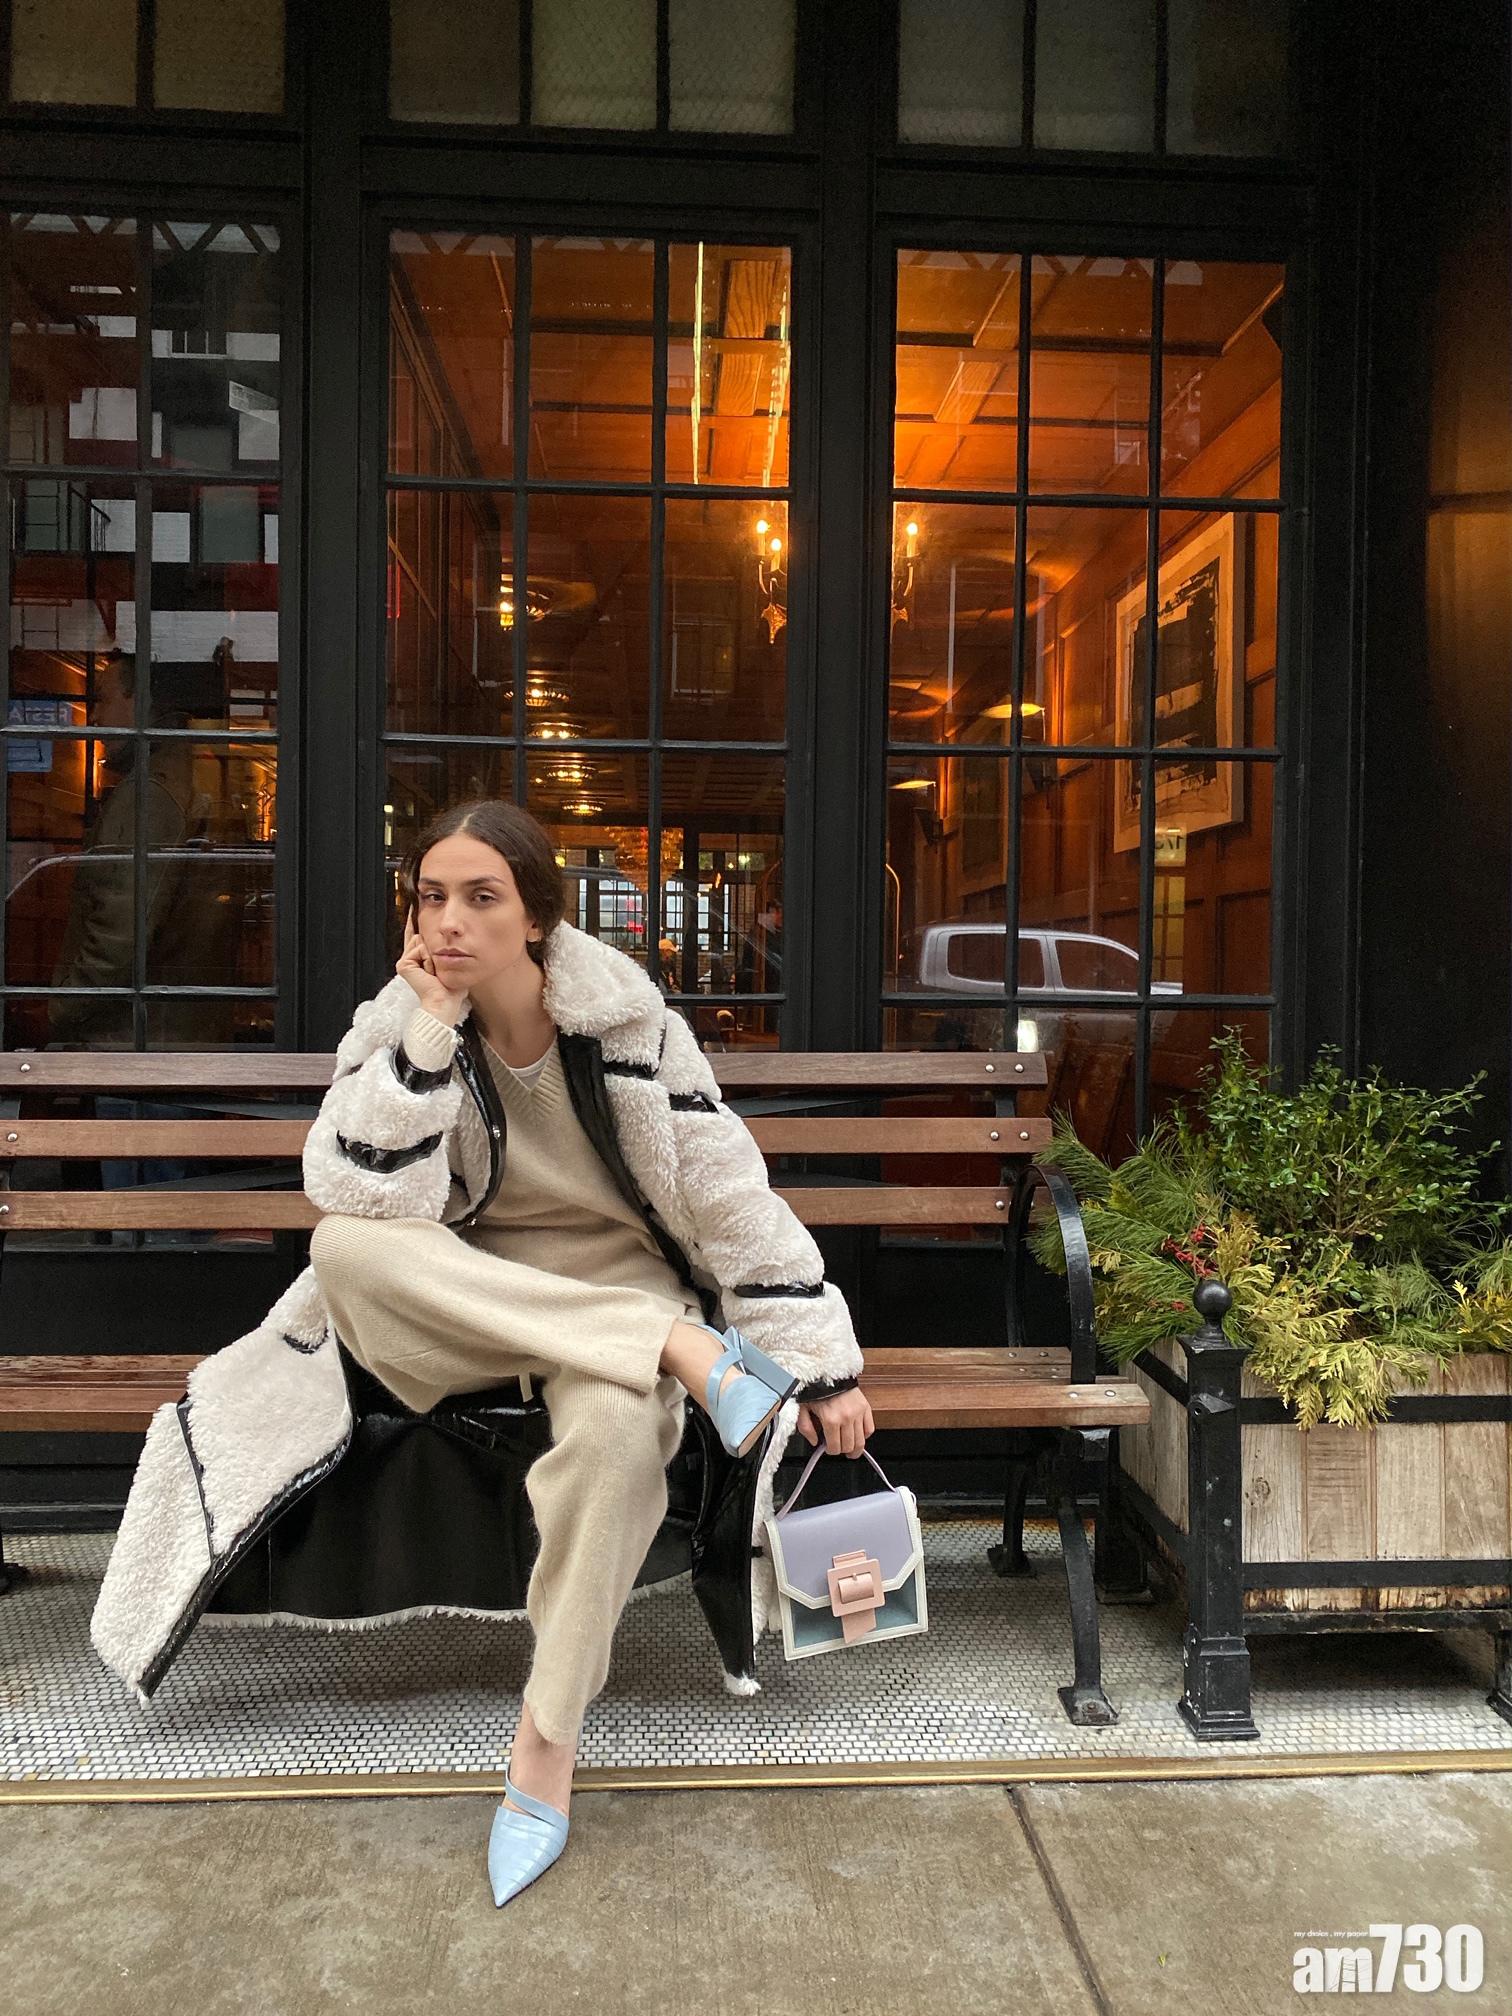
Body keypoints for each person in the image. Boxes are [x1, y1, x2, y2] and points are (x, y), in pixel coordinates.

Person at [303, 800, 872, 1909]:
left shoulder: (629, 1029)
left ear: (536, 917)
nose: (451, 920)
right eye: (431, 896)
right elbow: (364, 1193)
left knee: (615, 1439)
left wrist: (818, 1359)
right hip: (471, 1311)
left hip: (614, 1295)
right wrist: (429, 1032)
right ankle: (676, 1349)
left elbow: (726, 1195)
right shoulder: (397, 1025)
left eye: (482, 897)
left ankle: (545, 1747)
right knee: (342, 1248)